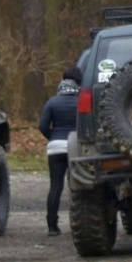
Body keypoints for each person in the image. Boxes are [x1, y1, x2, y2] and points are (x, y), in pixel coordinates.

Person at [37, 65, 81, 235]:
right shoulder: (81, 102)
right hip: (76, 147)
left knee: (55, 186)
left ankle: (52, 226)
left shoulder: (52, 102)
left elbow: (42, 125)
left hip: (55, 148)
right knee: (78, 186)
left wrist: (53, 136)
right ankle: (78, 222)